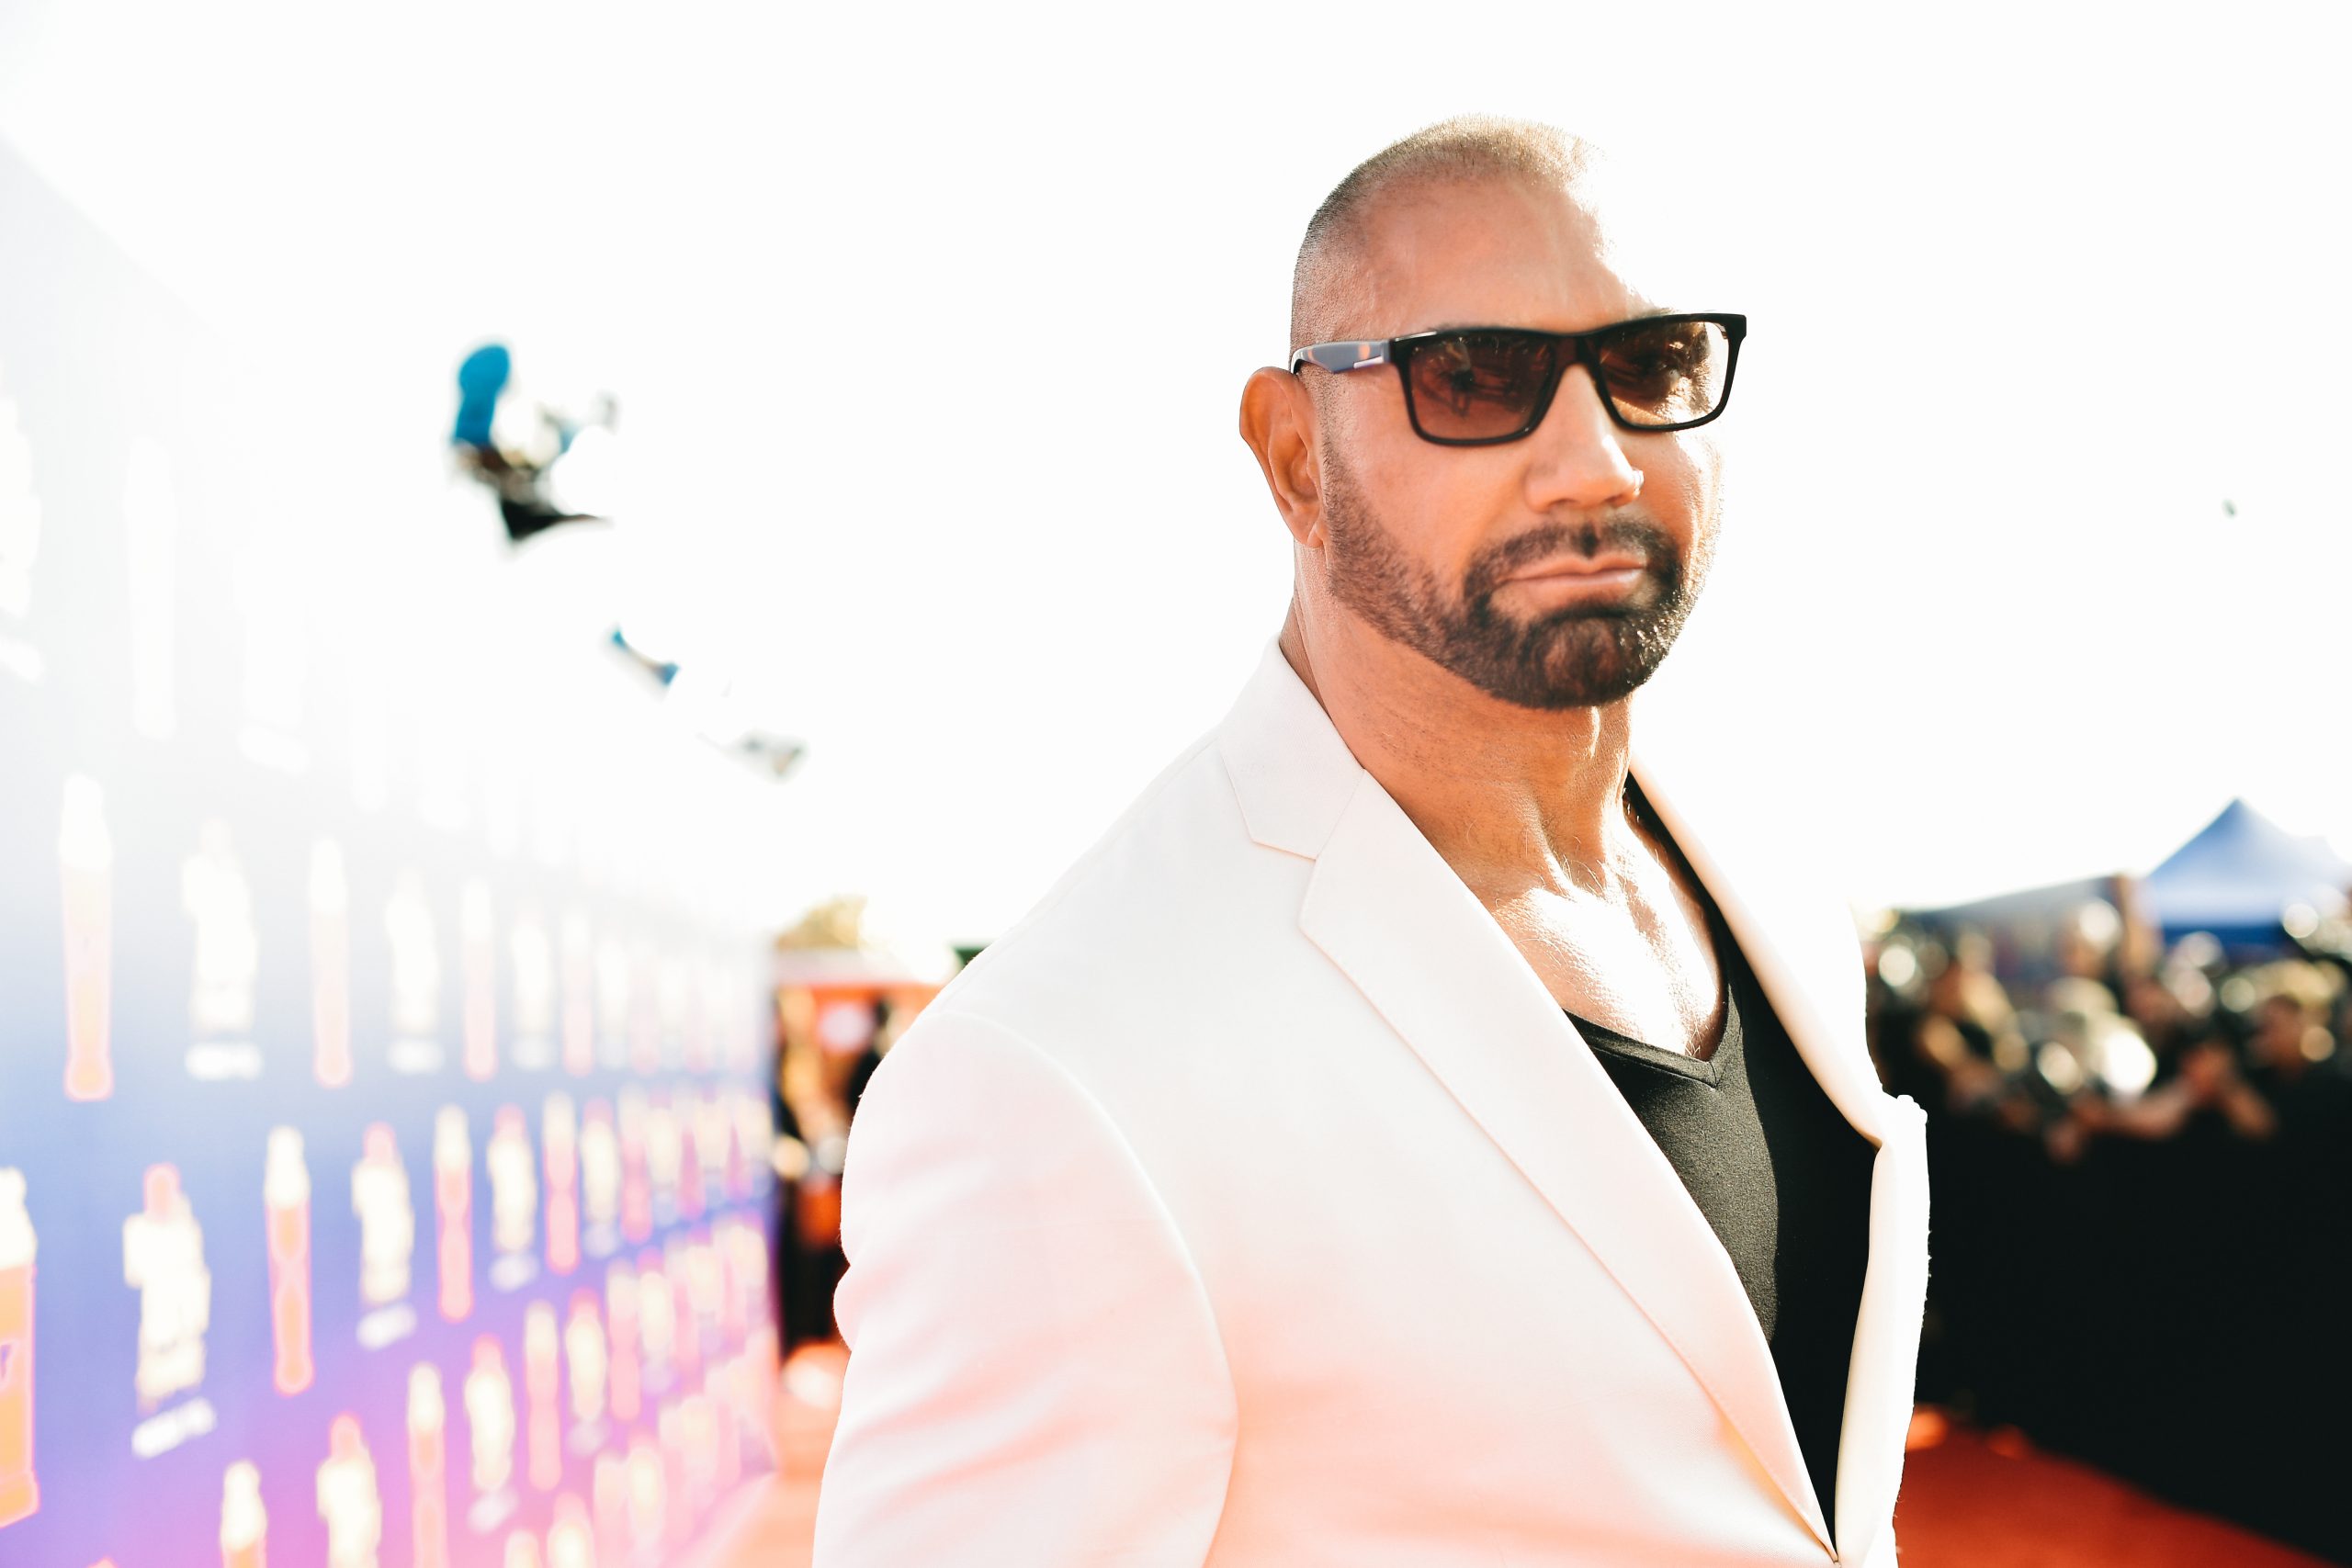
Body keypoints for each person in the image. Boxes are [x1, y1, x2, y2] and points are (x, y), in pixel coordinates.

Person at [814, 117, 1929, 1567]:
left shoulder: (1772, 885)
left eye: (1652, 366)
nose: (1593, 462)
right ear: (1295, 456)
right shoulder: (1057, 1073)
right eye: (1474, 378)